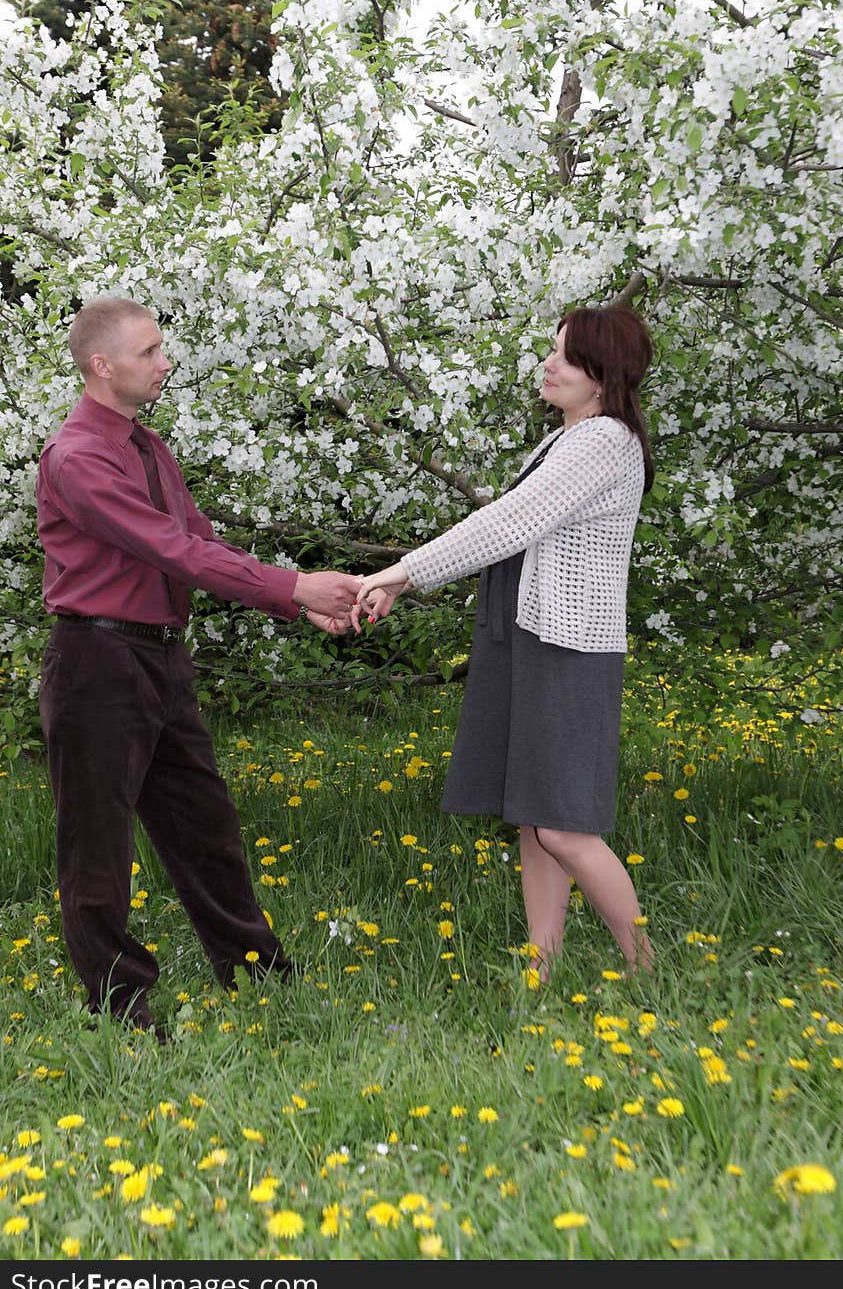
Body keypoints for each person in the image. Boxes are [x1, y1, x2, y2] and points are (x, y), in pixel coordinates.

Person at [36, 295, 363, 1038]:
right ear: (102, 365)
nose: (165, 361)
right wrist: (294, 584)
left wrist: (296, 603)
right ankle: (121, 1012)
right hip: (96, 663)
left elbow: (202, 541)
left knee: (203, 827)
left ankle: (258, 976)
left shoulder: (147, 447)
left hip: (156, 659)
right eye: (149, 351)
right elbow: (168, 549)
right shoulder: (79, 456)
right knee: (97, 849)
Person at [356, 305, 656, 982]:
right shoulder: (569, 439)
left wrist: (402, 574)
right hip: (533, 637)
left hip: (567, 647)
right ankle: (541, 967)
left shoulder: (601, 442)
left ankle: (647, 971)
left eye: (565, 356)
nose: (547, 365)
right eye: (550, 351)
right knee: (534, 817)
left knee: (565, 825)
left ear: (604, 374)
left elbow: (509, 522)